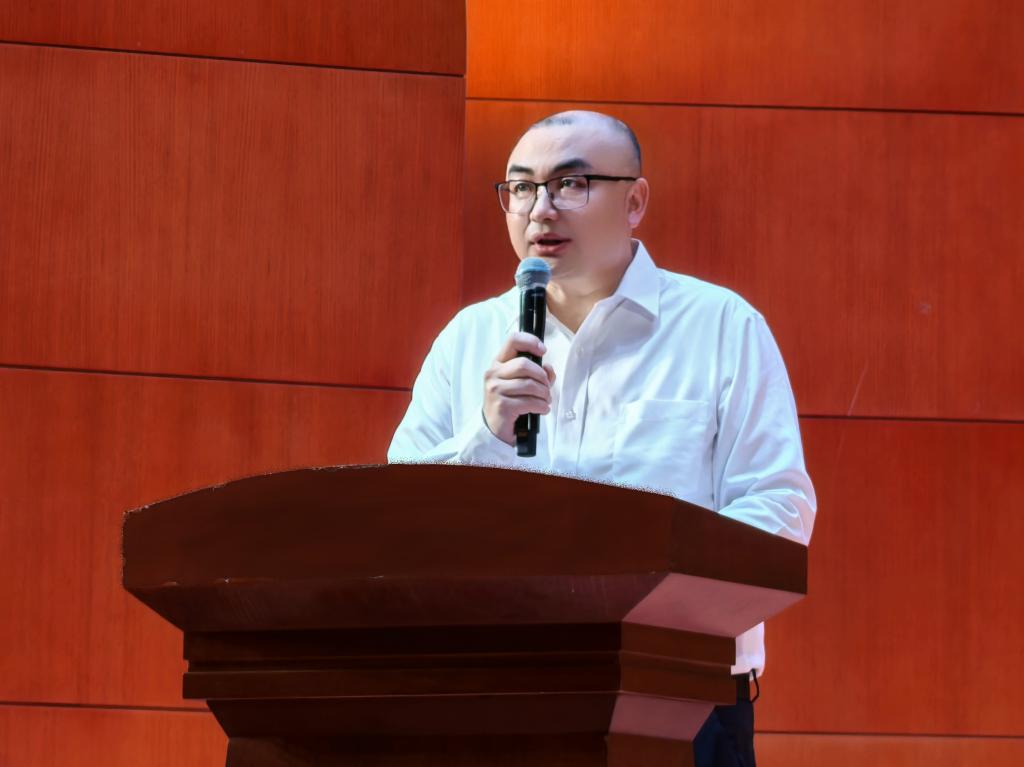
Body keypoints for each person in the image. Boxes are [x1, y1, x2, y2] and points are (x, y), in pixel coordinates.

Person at [388, 110, 816, 766]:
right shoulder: (467, 339)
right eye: (521, 187)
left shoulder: (722, 327)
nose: (540, 208)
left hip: (679, 696)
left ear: (635, 201)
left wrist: (639, 614)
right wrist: (486, 434)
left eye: (571, 183)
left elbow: (777, 511)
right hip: (499, 696)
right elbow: (399, 519)